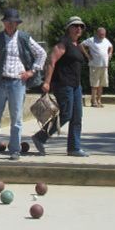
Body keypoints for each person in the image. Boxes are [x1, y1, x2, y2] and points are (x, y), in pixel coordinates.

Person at [0, 8, 46, 161]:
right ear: (4, 23)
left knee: (16, 118)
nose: (10, 25)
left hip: (17, 83)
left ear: (17, 23)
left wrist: (31, 71)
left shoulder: (24, 38)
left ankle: (15, 150)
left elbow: (42, 53)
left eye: (13, 22)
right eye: (7, 22)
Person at [33, 16, 88, 157]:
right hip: (63, 84)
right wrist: (47, 82)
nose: (79, 29)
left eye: (81, 26)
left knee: (77, 117)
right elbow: (51, 62)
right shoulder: (63, 43)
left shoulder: (77, 45)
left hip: (76, 86)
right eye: (75, 26)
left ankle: (74, 148)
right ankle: (40, 137)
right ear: (68, 28)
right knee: (66, 114)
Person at [82, 26, 113, 108]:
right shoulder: (91, 40)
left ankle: (99, 100)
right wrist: (87, 55)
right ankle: (93, 101)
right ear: (97, 33)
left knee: (101, 84)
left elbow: (111, 46)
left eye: (104, 34)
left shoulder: (106, 40)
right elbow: (81, 45)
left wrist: (110, 53)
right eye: (101, 34)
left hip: (104, 65)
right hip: (95, 65)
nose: (103, 35)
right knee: (94, 84)